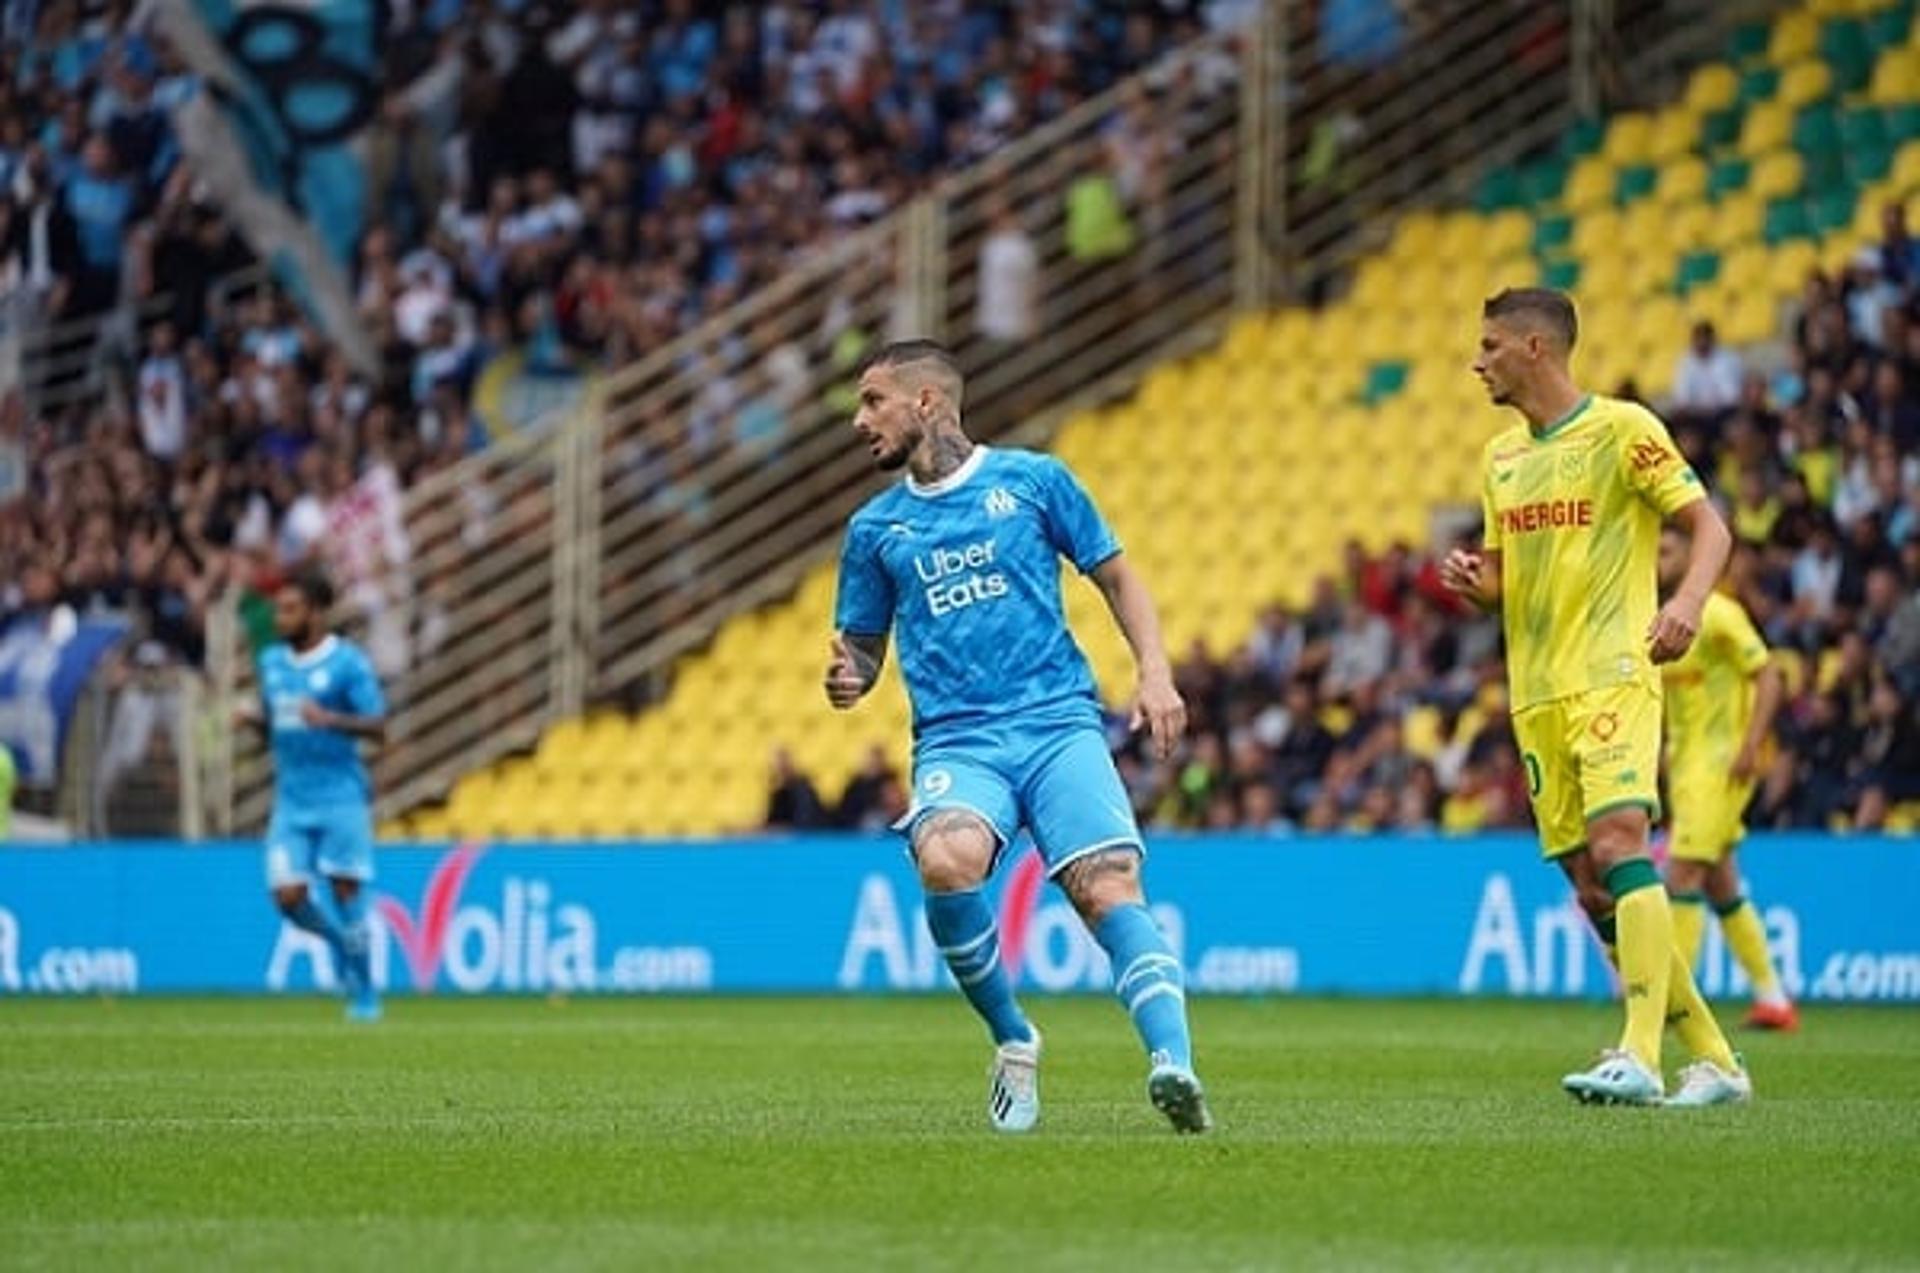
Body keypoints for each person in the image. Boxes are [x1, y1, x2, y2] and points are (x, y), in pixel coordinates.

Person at [825, 340, 1209, 1134]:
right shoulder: (874, 529)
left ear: (927, 401)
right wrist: (850, 676)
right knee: (946, 859)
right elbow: (862, 648)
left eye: (873, 401)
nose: (860, 421)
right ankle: (1014, 1036)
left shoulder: (1033, 481)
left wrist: (1155, 672)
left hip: (1059, 721)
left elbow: (1116, 575)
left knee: (1106, 886)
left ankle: (1174, 1064)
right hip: (959, 740)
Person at [1441, 288, 1751, 1108]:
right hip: (1536, 693)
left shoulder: (1624, 429)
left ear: (1537, 348)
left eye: (1491, 346)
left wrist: (1683, 603)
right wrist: (1480, 583)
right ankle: (1717, 1059)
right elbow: (1509, 578)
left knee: (1621, 843)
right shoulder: (1501, 460)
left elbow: (1710, 526)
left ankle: (1640, 1053)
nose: (1478, 362)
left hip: (1615, 671)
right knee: (1589, 881)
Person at [1654, 527, 1797, 1031]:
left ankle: (1672, 1004)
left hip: (1721, 765)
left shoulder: (1718, 614)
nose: (1656, 559)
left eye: (1667, 551)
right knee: (1721, 883)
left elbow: (1770, 675)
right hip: (1686, 767)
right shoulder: (1662, 624)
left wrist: (1752, 744)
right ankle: (1774, 999)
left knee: (1682, 875)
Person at [238, 573, 388, 1022]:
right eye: (277, 610)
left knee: (346, 892)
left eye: (289, 609)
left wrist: (330, 719)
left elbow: (379, 727)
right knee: (286, 896)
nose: (279, 619)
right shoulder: (271, 663)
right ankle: (340, 944)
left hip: (341, 796)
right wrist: (253, 722)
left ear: (315, 613)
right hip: (292, 799)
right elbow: (276, 729)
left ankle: (365, 996)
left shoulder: (347, 664)